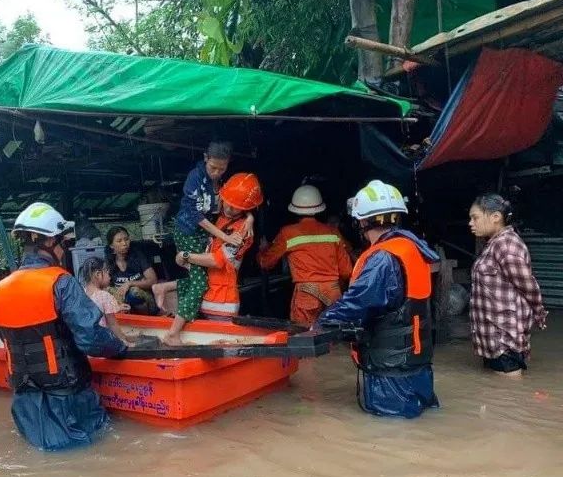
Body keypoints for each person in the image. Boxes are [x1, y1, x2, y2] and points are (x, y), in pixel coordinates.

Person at [0, 202, 128, 451]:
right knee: (89, 456)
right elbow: (90, 338)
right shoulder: (60, 282)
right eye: (64, 243)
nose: (65, 251)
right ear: (50, 243)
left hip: (25, 402)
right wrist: (119, 346)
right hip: (67, 398)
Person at [316, 180, 440, 418]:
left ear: (361, 221)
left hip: (391, 373)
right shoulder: (411, 248)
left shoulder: (382, 258)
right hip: (417, 364)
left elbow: (357, 303)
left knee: (391, 434)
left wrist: (320, 324)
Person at [155, 173, 263, 339]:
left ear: (246, 208)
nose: (229, 208)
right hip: (208, 294)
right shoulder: (221, 217)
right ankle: (165, 289)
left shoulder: (243, 232)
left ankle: (172, 329)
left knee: (218, 343)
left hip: (221, 302)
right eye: (228, 202)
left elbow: (216, 261)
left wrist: (185, 255)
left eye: (236, 207)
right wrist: (250, 216)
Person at [169, 141, 251, 341]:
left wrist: (250, 217)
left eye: (221, 169)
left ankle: (163, 289)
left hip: (205, 235)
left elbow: (237, 202)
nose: (216, 172)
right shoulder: (194, 178)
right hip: (188, 232)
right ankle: (173, 333)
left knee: (198, 276)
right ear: (205, 158)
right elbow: (196, 215)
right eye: (213, 167)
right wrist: (224, 236)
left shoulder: (224, 181)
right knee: (200, 283)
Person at [468, 194, 546, 376]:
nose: (471, 223)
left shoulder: (507, 246)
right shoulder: (492, 245)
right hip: (492, 337)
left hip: (505, 338)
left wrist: (539, 313)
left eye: (475, 217)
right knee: (495, 393)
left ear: (495, 217)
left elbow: (528, 286)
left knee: (508, 394)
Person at [258, 185, 353, 327]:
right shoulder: (332, 232)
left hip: (307, 294)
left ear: (294, 210)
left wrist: (262, 250)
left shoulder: (288, 233)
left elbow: (266, 263)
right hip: (333, 293)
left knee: (305, 341)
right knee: (336, 341)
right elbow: (347, 271)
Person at [80, 256, 138, 347]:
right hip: (103, 343)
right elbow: (113, 324)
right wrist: (124, 341)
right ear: (98, 274)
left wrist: (118, 307)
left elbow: (96, 307)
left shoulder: (81, 293)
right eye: (107, 272)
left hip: (87, 342)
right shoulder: (104, 296)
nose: (110, 276)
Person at [105, 226, 158, 314]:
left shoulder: (138, 256)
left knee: (133, 293)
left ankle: (144, 320)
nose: (124, 243)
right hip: (122, 301)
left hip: (144, 301)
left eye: (126, 239)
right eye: (119, 241)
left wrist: (130, 283)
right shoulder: (109, 262)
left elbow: (153, 280)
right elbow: (104, 285)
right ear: (111, 245)